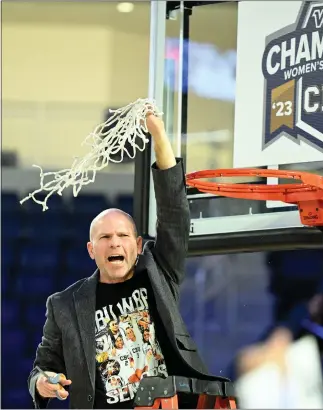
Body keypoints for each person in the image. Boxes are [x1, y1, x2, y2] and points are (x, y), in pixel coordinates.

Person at [28, 113, 227, 409]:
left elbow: (174, 214)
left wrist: (159, 135)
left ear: (136, 245)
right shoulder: (64, 305)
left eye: (122, 235)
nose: (114, 242)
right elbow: (41, 369)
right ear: (91, 249)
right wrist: (43, 383)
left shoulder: (158, 271)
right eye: (105, 238)